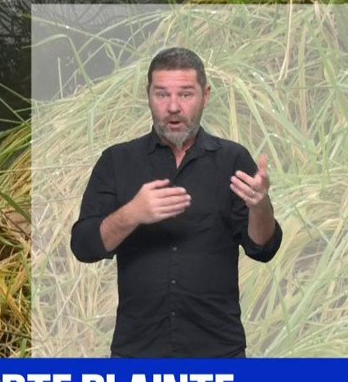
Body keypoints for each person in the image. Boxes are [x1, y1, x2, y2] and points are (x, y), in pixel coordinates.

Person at [70, 47, 282, 357]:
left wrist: (260, 206)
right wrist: (132, 213)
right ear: (148, 96)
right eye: (161, 94)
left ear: (205, 95)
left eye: (185, 94)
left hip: (219, 352)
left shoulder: (232, 159)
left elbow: (262, 248)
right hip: (137, 353)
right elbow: (84, 246)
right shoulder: (117, 161)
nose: (173, 107)